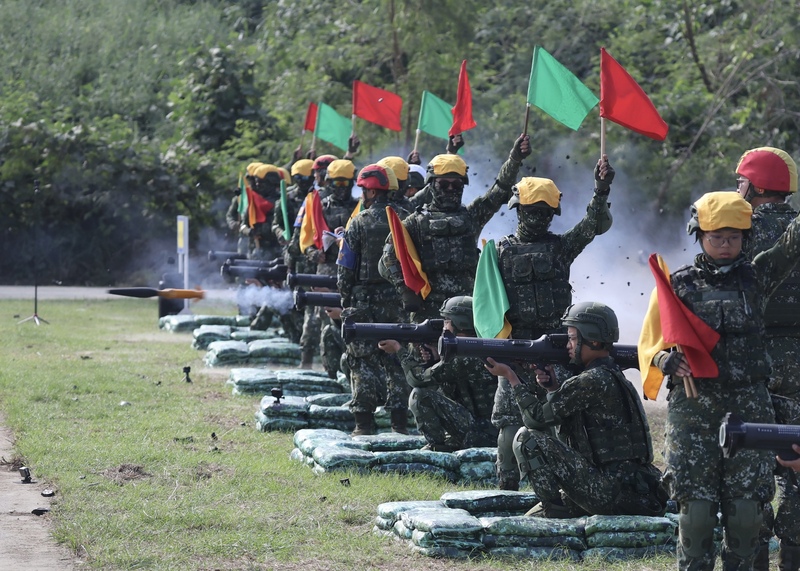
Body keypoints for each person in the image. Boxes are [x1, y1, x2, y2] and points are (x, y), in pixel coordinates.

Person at [652, 190, 800, 571]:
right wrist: (666, 359)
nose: (724, 245)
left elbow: (791, 242)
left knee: (747, 514)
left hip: (750, 403)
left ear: (746, 239)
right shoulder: (677, 285)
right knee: (696, 513)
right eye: (715, 237)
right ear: (699, 236)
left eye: (733, 237)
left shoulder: (759, 276)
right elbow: (652, 340)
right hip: (694, 407)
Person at [491, 162, 615, 491]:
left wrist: (601, 190)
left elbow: (591, 225)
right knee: (508, 422)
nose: (537, 219)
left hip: (560, 350)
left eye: (545, 214)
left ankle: (562, 488)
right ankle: (507, 489)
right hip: (515, 347)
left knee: (564, 419)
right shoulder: (498, 253)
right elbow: (486, 305)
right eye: (531, 212)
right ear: (517, 210)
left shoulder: (560, 248)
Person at [484, 302, 666, 517]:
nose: (568, 345)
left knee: (526, 439)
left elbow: (535, 420)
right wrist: (552, 387)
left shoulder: (590, 380)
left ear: (594, 340)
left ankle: (556, 511)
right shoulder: (612, 375)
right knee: (530, 517)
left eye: (572, 338)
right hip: (637, 491)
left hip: (610, 493)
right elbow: (568, 420)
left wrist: (511, 377)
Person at [380, 134, 531, 322]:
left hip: (467, 311)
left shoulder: (472, 216)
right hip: (428, 310)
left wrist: (514, 159)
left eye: (456, 184)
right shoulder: (414, 222)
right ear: (432, 185)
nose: (450, 189)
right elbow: (387, 260)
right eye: (443, 184)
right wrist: (405, 290)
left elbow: (499, 190)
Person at [735, 146, 800, 571]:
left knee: (750, 457)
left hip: (752, 356)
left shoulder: (732, 228)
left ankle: (754, 555)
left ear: (754, 186)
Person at [337, 163, 412, 435]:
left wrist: (346, 301)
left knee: (362, 361)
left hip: (364, 302)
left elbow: (345, 270)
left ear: (370, 191)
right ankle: (399, 424)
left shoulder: (358, 222)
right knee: (397, 361)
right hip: (400, 301)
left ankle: (364, 425)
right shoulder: (408, 217)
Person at [379, 296, 498, 451]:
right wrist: (435, 359)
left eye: (447, 321)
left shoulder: (464, 356)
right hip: (485, 428)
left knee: (420, 395)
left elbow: (418, 380)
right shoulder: (475, 347)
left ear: (460, 322)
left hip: (480, 433)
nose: (443, 326)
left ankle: (439, 446)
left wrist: (399, 349)